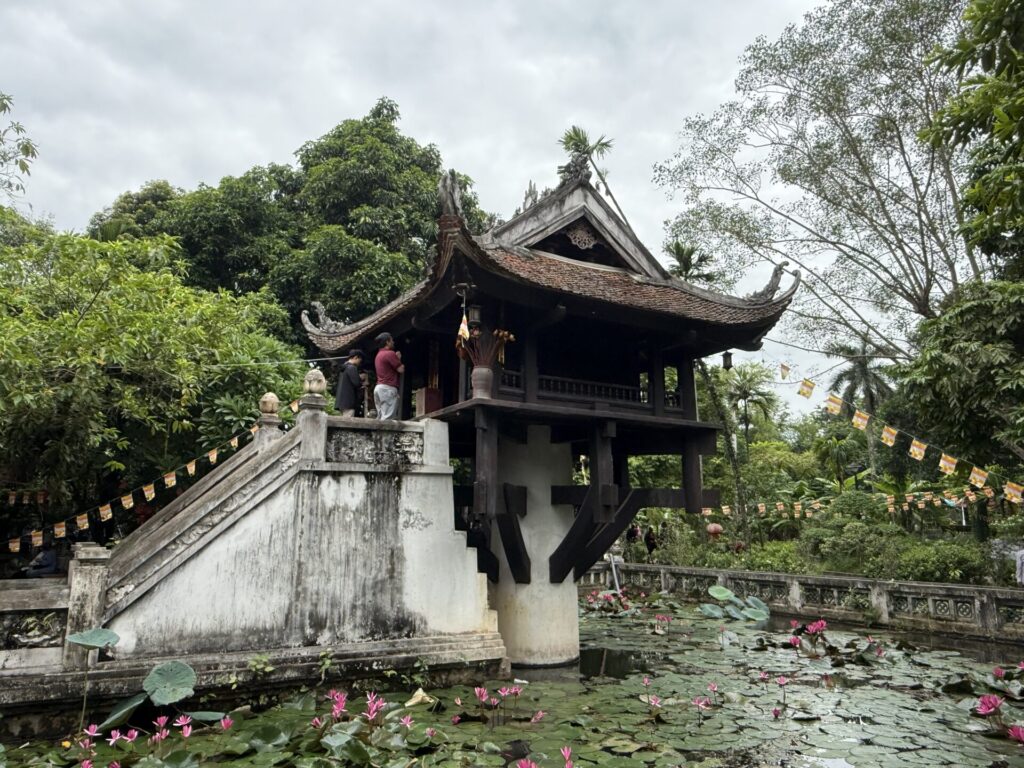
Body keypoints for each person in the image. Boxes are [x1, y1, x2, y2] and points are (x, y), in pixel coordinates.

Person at [373, 332, 404, 421]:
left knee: (381, 417)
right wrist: (398, 359)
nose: (393, 342)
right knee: (388, 418)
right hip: (388, 389)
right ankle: (385, 435)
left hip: (379, 388)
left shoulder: (378, 355)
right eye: (391, 340)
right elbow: (401, 369)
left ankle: (377, 435)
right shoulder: (390, 353)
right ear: (387, 342)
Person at [335, 348, 365, 418]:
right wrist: (361, 378)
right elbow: (356, 383)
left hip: (342, 401)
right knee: (348, 422)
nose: (359, 363)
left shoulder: (344, 367)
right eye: (359, 361)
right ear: (356, 357)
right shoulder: (352, 368)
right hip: (349, 401)